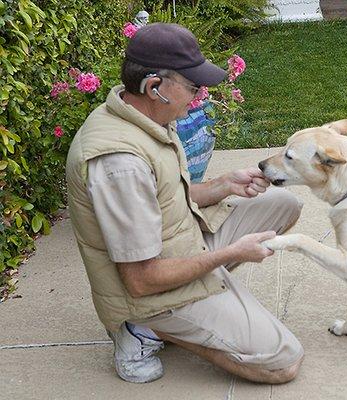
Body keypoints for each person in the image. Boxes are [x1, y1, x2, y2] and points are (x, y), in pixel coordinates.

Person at [66, 23, 304, 384]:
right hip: (151, 292)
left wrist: (225, 185)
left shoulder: (144, 115)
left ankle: (209, 304)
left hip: (181, 244)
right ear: (154, 87)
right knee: (280, 363)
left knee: (283, 203)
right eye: (192, 87)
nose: (198, 96)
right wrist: (229, 253)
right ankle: (146, 329)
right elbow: (141, 282)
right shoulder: (119, 163)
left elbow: (163, 195)